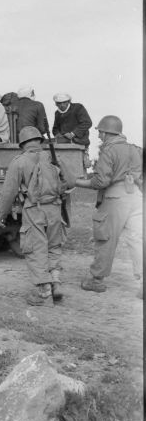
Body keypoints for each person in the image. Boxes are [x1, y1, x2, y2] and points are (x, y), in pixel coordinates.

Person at [0, 127, 75, 306]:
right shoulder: (54, 157)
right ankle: (55, 281)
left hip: (34, 210)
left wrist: (1, 214)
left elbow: (9, 192)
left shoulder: (19, 162)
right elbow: (70, 182)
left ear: (22, 144)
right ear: (40, 140)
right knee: (54, 246)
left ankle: (44, 291)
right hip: (55, 209)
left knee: (35, 248)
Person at [75, 116, 142, 296]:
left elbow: (101, 181)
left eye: (100, 132)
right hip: (136, 196)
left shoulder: (108, 151)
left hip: (115, 198)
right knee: (138, 240)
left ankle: (96, 279)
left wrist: (78, 182)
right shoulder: (133, 149)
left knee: (106, 238)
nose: (99, 136)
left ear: (105, 132)